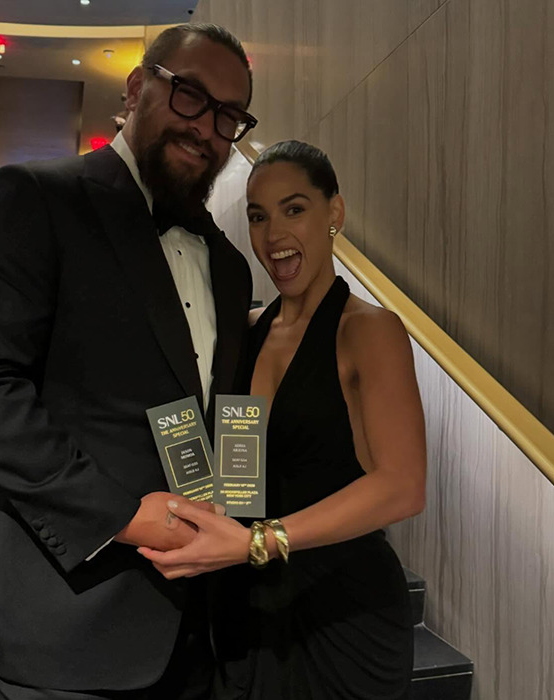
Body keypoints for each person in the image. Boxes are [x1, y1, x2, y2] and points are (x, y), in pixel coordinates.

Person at [0, 23, 257, 700]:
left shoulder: (227, 264)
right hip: (65, 630)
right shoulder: (37, 197)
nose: (208, 129)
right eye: (191, 97)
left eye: (230, 116)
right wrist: (121, 515)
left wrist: (240, 518)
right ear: (137, 88)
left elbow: (219, 415)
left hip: (199, 636)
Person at [139, 140, 427, 699]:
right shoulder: (244, 332)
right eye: (258, 216)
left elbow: (403, 487)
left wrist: (259, 543)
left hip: (343, 614)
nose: (274, 236)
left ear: (333, 214)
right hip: (245, 610)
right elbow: (229, 468)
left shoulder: (368, 330)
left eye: (294, 209)